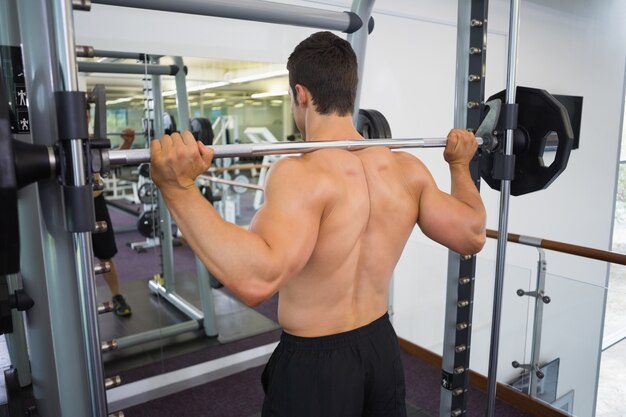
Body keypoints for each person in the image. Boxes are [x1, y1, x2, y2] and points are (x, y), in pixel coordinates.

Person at [150, 31, 486, 417]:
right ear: (349, 92)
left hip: (316, 364)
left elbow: (257, 279)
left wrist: (179, 189)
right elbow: (472, 234)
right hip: (380, 347)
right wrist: (460, 167)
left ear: (301, 94)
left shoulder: (300, 174)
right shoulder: (406, 170)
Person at [92, 127, 136, 317]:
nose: (85, 116)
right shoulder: (54, 133)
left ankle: (116, 296)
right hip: (66, 203)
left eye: (87, 111)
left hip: (95, 202)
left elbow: (108, 160)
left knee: (106, 254)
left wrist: (127, 143)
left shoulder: (91, 139)